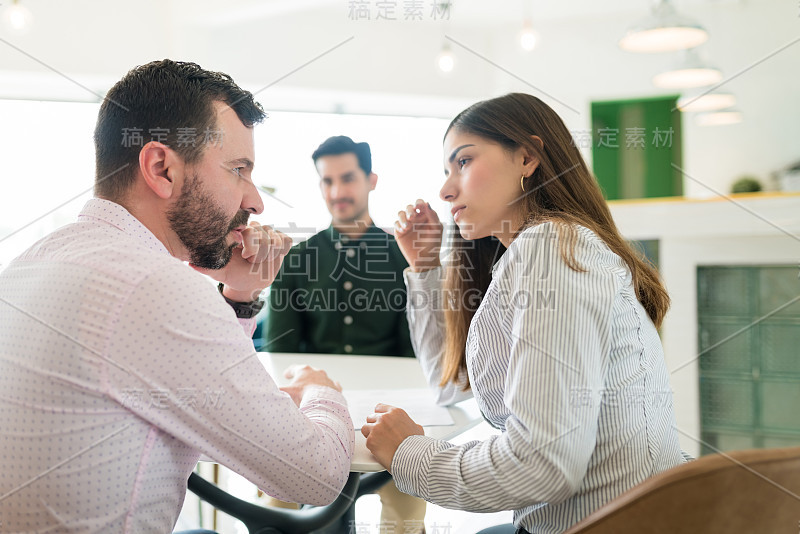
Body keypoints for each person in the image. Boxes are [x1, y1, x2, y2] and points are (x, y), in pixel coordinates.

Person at [0, 60, 353, 533]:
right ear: (162, 168)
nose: (256, 201)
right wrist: (322, 391)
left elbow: (194, 405)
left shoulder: (31, 262)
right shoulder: (153, 287)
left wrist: (242, 294)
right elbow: (315, 477)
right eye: (238, 170)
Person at [361, 93, 686, 534]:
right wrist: (423, 269)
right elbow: (450, 383)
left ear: (527, 157)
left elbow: (542, 464)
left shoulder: (549, 250)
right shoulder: (540, 251)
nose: (445, 188)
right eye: (445, 170)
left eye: (464, 161)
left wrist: (411, 455)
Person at [262, 136, 424, 533]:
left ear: (371, 180)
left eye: (347, 178)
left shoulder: (403, 256)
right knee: (271, 499)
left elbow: (414, 356)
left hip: (383, 414)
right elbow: (281, 354)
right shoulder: (298, 259)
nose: (337, 191)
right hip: (311, 415)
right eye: (327, 181)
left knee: (409, 505)